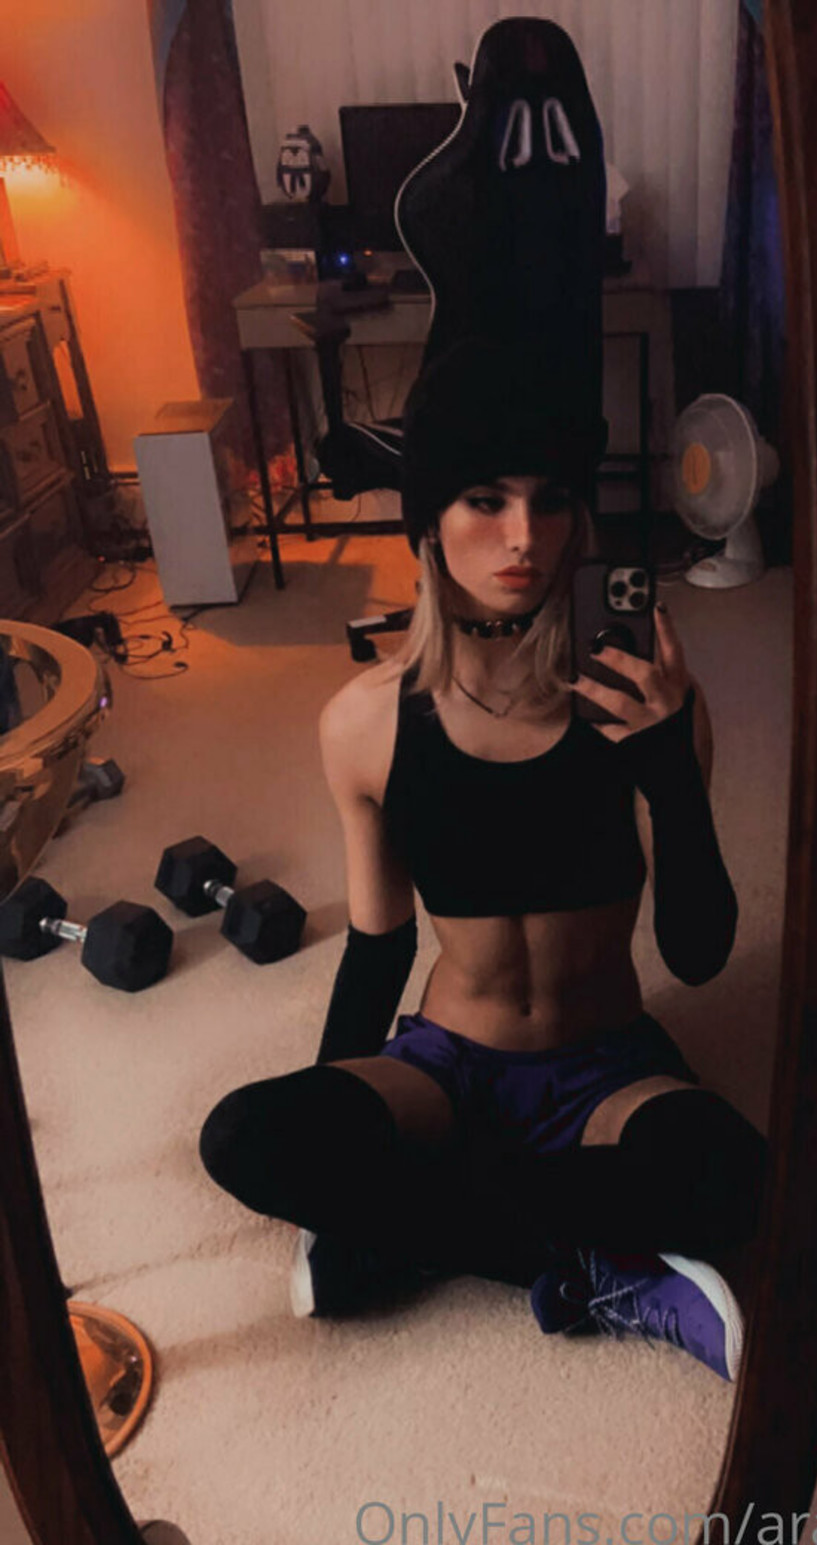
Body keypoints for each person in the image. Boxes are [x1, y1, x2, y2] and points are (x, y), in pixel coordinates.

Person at [199, 339, 766, 1381]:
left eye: (551, 502)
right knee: (245, 1138)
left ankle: (408, 1227)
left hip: (607, 1068)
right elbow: (379, 944)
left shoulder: (642, 704)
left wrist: (671, 775)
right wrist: (341, 1114)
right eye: (485, 501)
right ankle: (595, 1256)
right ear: (428, 523)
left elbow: (697, 956)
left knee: (735, 1177)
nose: (524, 537)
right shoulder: (364, 723)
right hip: (448, 1068)